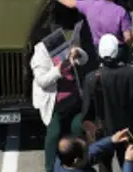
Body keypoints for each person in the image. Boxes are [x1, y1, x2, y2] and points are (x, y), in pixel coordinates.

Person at [80, 34, 133, 170]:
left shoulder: (91, 78)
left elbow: (87, 112)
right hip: (126, 127)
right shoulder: (131, 72)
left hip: (103, 131)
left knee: (104, 165)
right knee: (127, 160)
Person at [31, 38, 89, 172]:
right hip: (55, 104)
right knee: (53, 134)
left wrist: (78, 53)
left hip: (73, 100)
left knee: (78, 127)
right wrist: (59, 69)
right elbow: (42, 81)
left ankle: (80, 161)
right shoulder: (40, 52)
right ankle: (50, 167)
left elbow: (84, 59)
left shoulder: (64, 42)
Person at [54, 128, 133, 172]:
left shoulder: (62, 159)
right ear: (76, 160)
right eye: (86, 151)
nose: (89, 150)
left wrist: (111, 139)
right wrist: (129, 162)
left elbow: (91, 151)